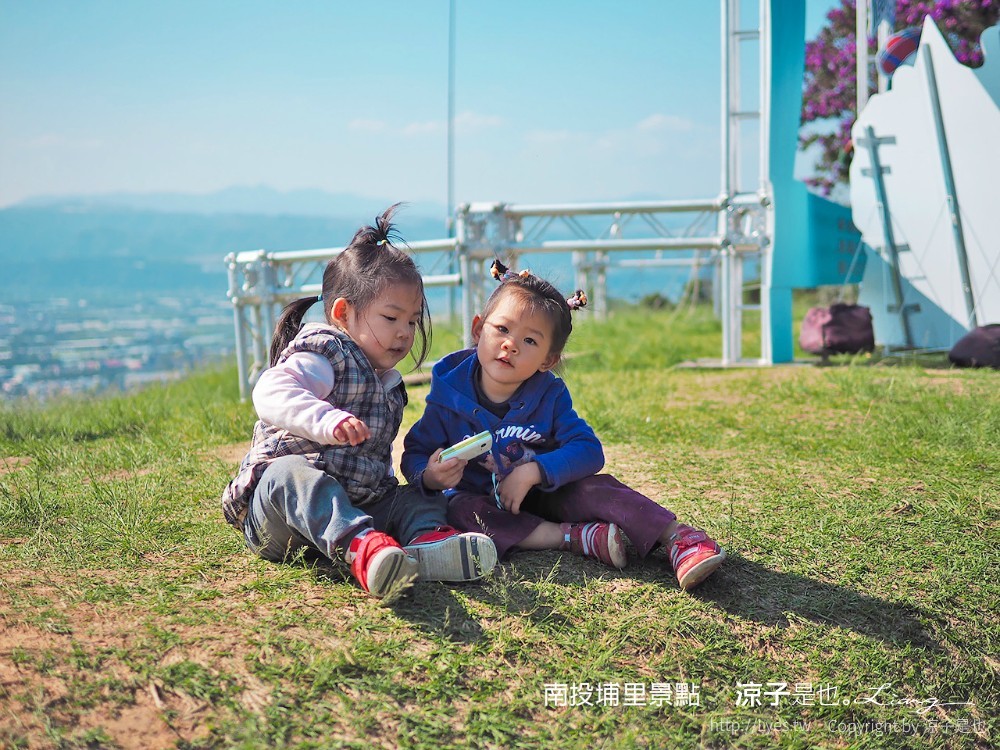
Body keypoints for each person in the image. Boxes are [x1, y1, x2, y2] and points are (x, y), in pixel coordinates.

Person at [221, 206, 497, 598]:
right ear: (343, 313)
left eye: (413, 321)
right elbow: (270, 390)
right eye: (391, 317)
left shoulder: (388, 384)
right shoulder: (326, 354)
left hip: (358, 506)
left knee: (416, 496)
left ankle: (426, 544)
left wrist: (431, 478)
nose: (404, 333)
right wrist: (325, 418)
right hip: (279, 520)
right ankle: (363, 550)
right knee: (289, 473)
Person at [401, 261, 725, 591]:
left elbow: (588, 450)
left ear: (548, 360)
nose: (510, 344)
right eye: (501, 329)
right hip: (482, 500)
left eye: (529, 341)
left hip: (548, 494)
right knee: (459, 511)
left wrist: (534, 472)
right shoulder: (448, 395)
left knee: (597, 488)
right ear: (477, 329)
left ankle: (680, 538)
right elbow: (415, 452)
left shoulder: (549, 396)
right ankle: (573, 537)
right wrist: (430, 474)